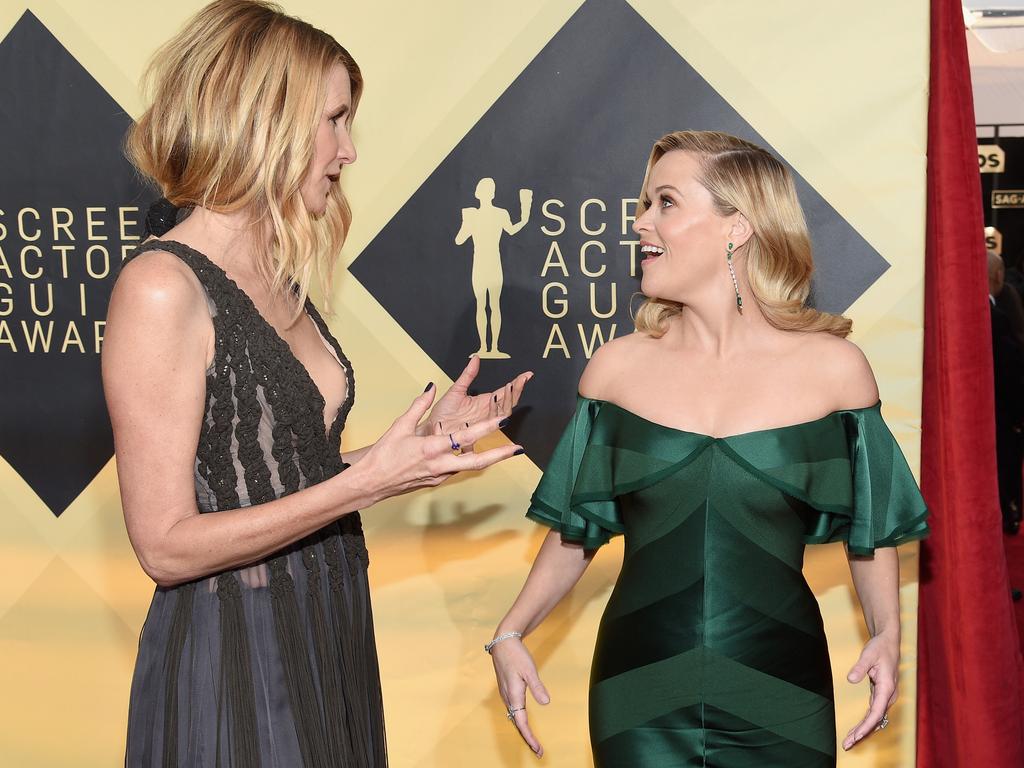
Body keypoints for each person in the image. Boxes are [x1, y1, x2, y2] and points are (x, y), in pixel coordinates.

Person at [102, 2, 530, 766]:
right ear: (264, 120)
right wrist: (362, 489)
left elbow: (277, 479)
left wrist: (414, 453)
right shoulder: (163, 287)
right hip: (233, 659)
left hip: (328, 629)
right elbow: (164, 545)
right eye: (333, 120)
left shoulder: (277, 274)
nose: (349, 150)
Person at [489, 131, 929, 766]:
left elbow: (873, 530)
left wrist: (887, 635)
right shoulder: (615, 371)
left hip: (781, 682)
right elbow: (573, 531)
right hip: (639, 688)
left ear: (737, 228)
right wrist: (511, 629)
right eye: (644, 204)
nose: (640, 224)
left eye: (665, 202)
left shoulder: (836, 371)